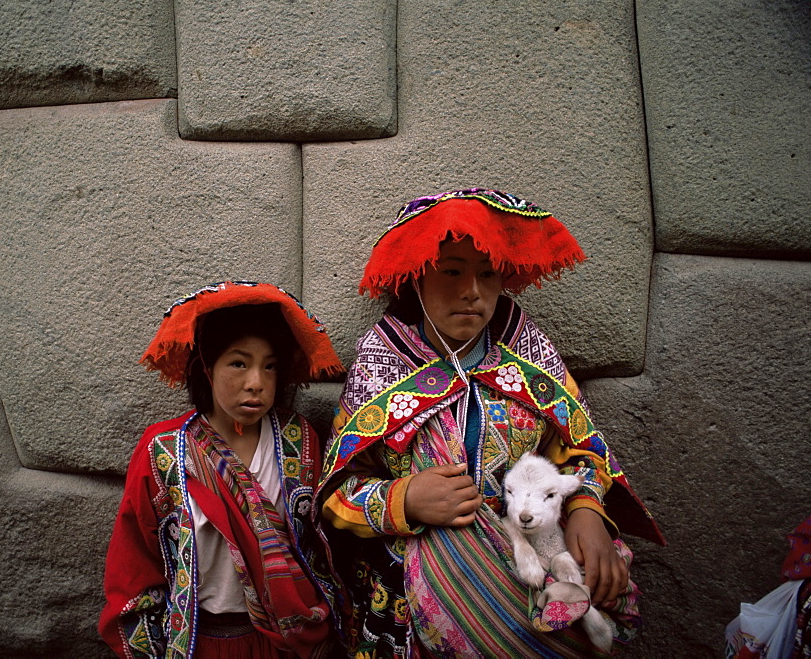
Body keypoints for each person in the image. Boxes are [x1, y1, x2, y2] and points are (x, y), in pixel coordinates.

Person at [313, 189, 665, 658]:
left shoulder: (530, 358)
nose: (472, 291)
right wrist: (405, 499)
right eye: (452, 271)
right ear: (417, 277)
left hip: (537, 553)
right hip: (418, 604)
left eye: (488, 274)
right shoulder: (380, 367)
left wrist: (584, 509)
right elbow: (336, 490)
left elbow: (579, 452)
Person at [100, 280, 345, 658]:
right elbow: (134, 566)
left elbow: (324, 548)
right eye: (239, 363)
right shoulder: (165, 451)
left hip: (288, 644)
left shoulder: (299, 441)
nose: (256, 384)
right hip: (201, 642)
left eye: (270, 366)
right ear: (207, 367)